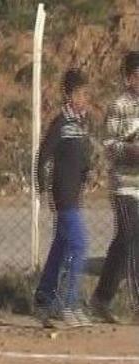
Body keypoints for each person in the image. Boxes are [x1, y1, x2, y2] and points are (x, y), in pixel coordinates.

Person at [34, 68, 93, 328]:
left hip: (75, 194)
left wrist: (87, 172)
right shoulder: (61, 123)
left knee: (61, 245)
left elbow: (82, 157)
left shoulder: (81, 124)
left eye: (86, 93)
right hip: (63, 194)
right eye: (79, 94)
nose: (84, 98)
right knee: (79, 244)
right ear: (69, 95)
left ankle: (44, 297)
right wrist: (42, 187)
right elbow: (44, 155)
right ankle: (66, 304)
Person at [90, 51, 139, 323]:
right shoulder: (119, 106)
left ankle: (101, 298)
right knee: (131, 238)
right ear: (128, 77)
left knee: (125, 242)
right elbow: (109, 146)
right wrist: (133, 152)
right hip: (124, 186)